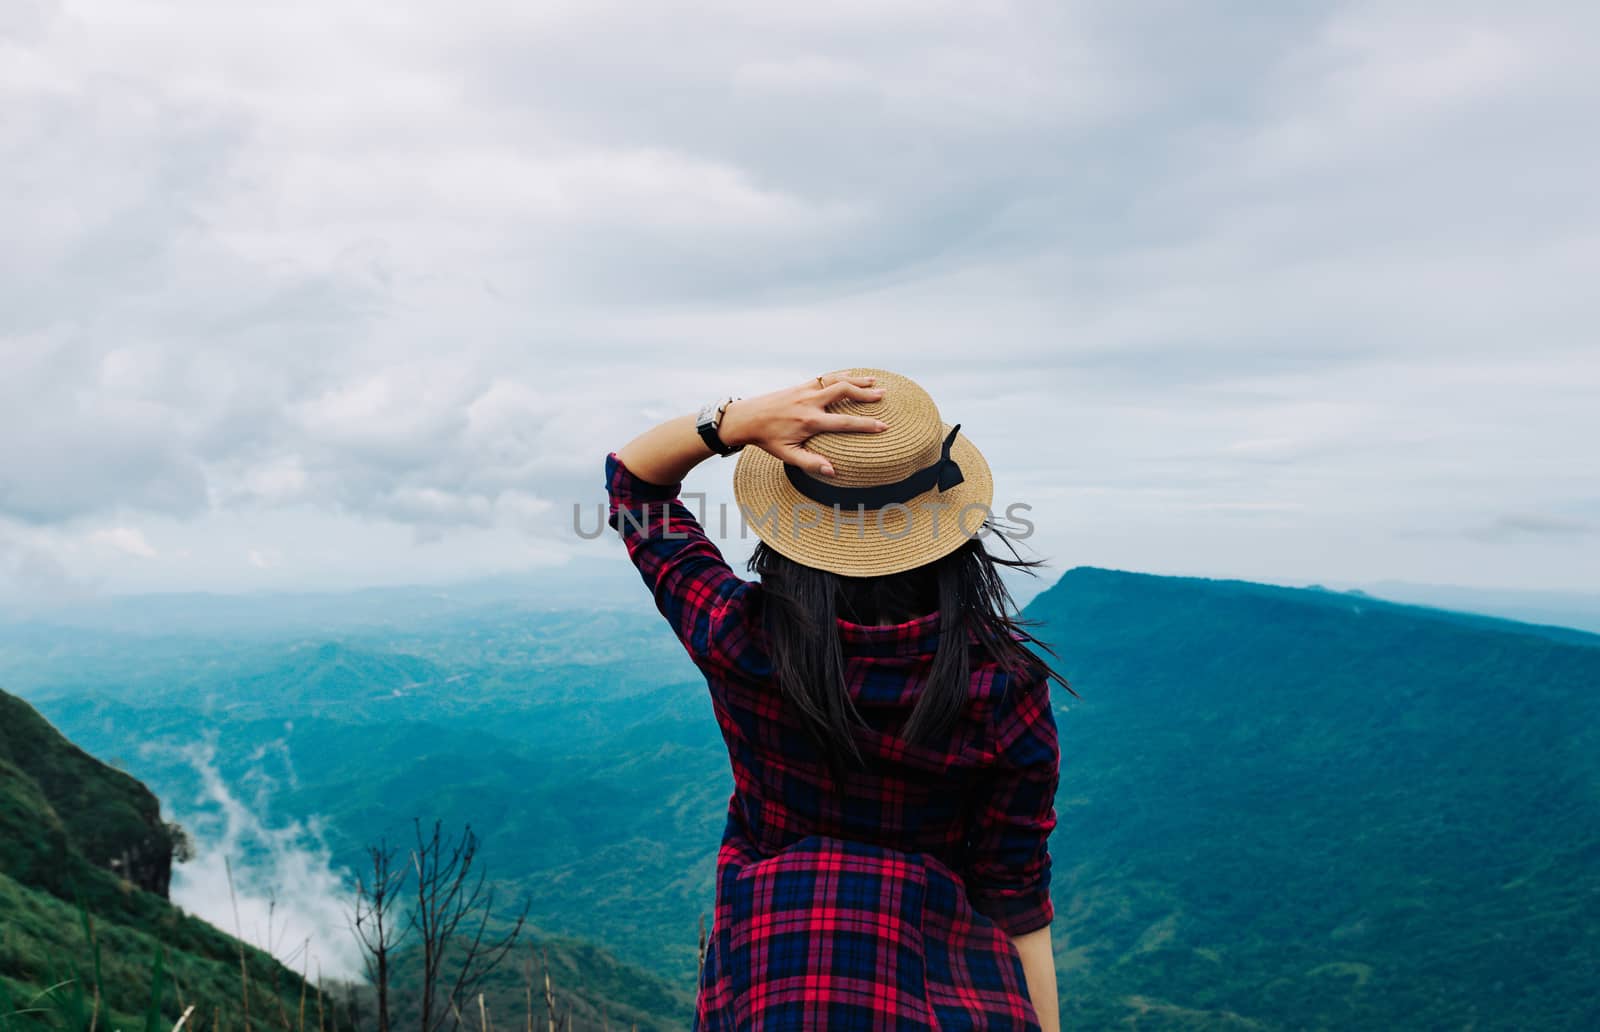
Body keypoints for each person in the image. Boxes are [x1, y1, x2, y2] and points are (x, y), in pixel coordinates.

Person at [607, 367, 1069, 1031]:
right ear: (946, 528)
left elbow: (632, 483)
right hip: (949, 1001)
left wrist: (734, 423)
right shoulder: (1002, 687)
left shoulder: (739, 639)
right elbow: (1015, 898)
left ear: (789, 524)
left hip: (770, 990)